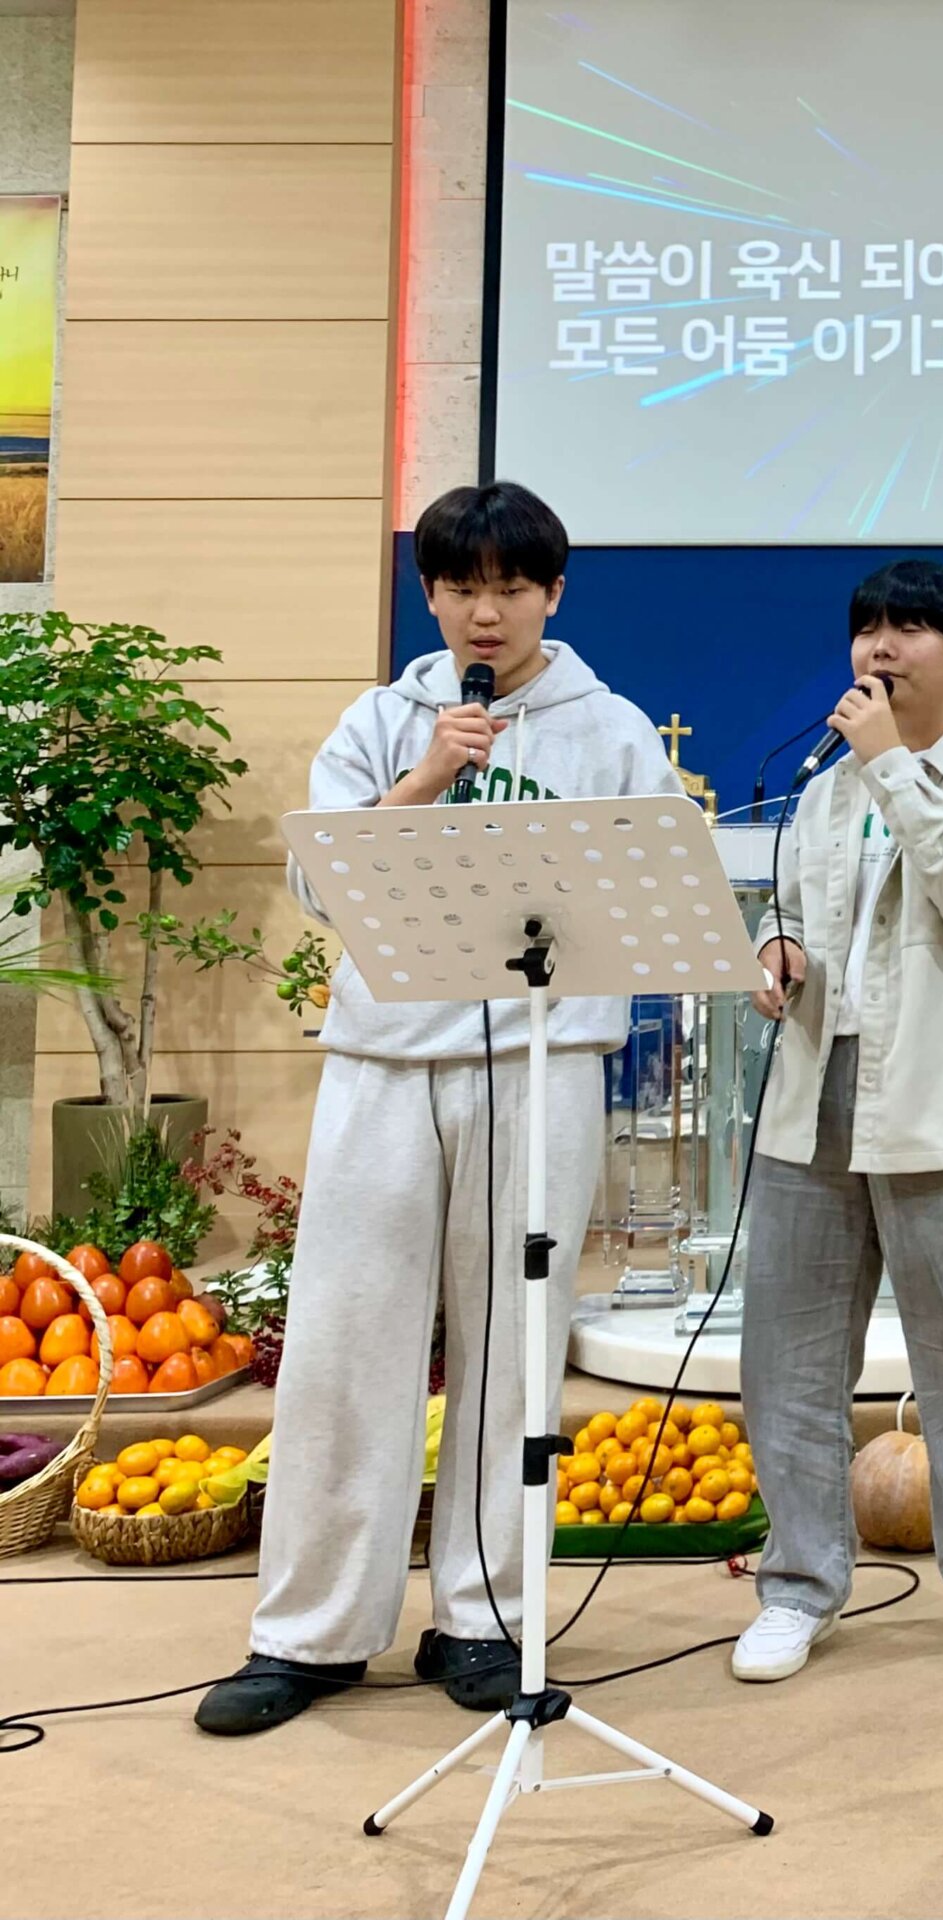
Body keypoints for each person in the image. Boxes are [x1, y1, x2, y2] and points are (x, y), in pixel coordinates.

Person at [198, 481, 684, 1736]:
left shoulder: (610, 729)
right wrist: (425, 777)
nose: (486, 612)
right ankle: (309, 1634)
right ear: (429, 596)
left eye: (511, 588)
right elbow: (320, 881)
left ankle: (486, 1619)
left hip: (540, 1059)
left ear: (553, 594)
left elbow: (650, 890)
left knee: (514, 1346)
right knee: (345, 1338)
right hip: (385, 1059)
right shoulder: (382, 719)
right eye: (461, 587)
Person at [729, 558, 943, 1683]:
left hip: (942, 1108)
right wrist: (776, 948)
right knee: (787, 1363)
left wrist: (890, 766)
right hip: (812, 1097)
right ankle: (797, 1586)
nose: (879, 647)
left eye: (908, 629)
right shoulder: (826, 790)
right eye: (867, 627)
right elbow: (791, 906)